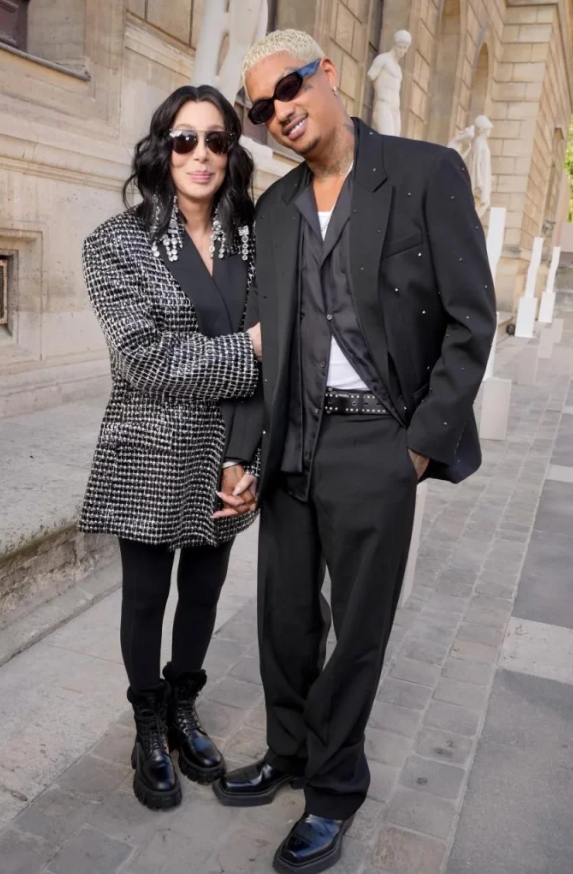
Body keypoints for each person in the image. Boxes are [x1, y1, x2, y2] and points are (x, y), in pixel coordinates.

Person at [212, 29, 496, 873]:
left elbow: (471, 321)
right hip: (293, 436)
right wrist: (243, 451)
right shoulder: (275, 209)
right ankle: (289, 752)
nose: (279, 112)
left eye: (290, 88)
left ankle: (334, 790)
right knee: (284, 615)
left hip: (379, 440)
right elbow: (265, 344)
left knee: (358, 629)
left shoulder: (424, 172)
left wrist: (418, 448)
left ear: (327, 74)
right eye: (261, 109)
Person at [79, 85, 260, 812]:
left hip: (229, 454)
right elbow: (145, 360)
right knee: (147, 596)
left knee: (205, 593)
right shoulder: (114, 243)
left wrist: (246, 457)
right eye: (186, 139)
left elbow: (283, 352)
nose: (201, 154)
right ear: (163, 148)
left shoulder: (253, 240)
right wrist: (252, 347)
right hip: (148, 451)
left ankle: (184, 709)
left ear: (231, 152)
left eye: (217, 140)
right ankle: (148, 726)